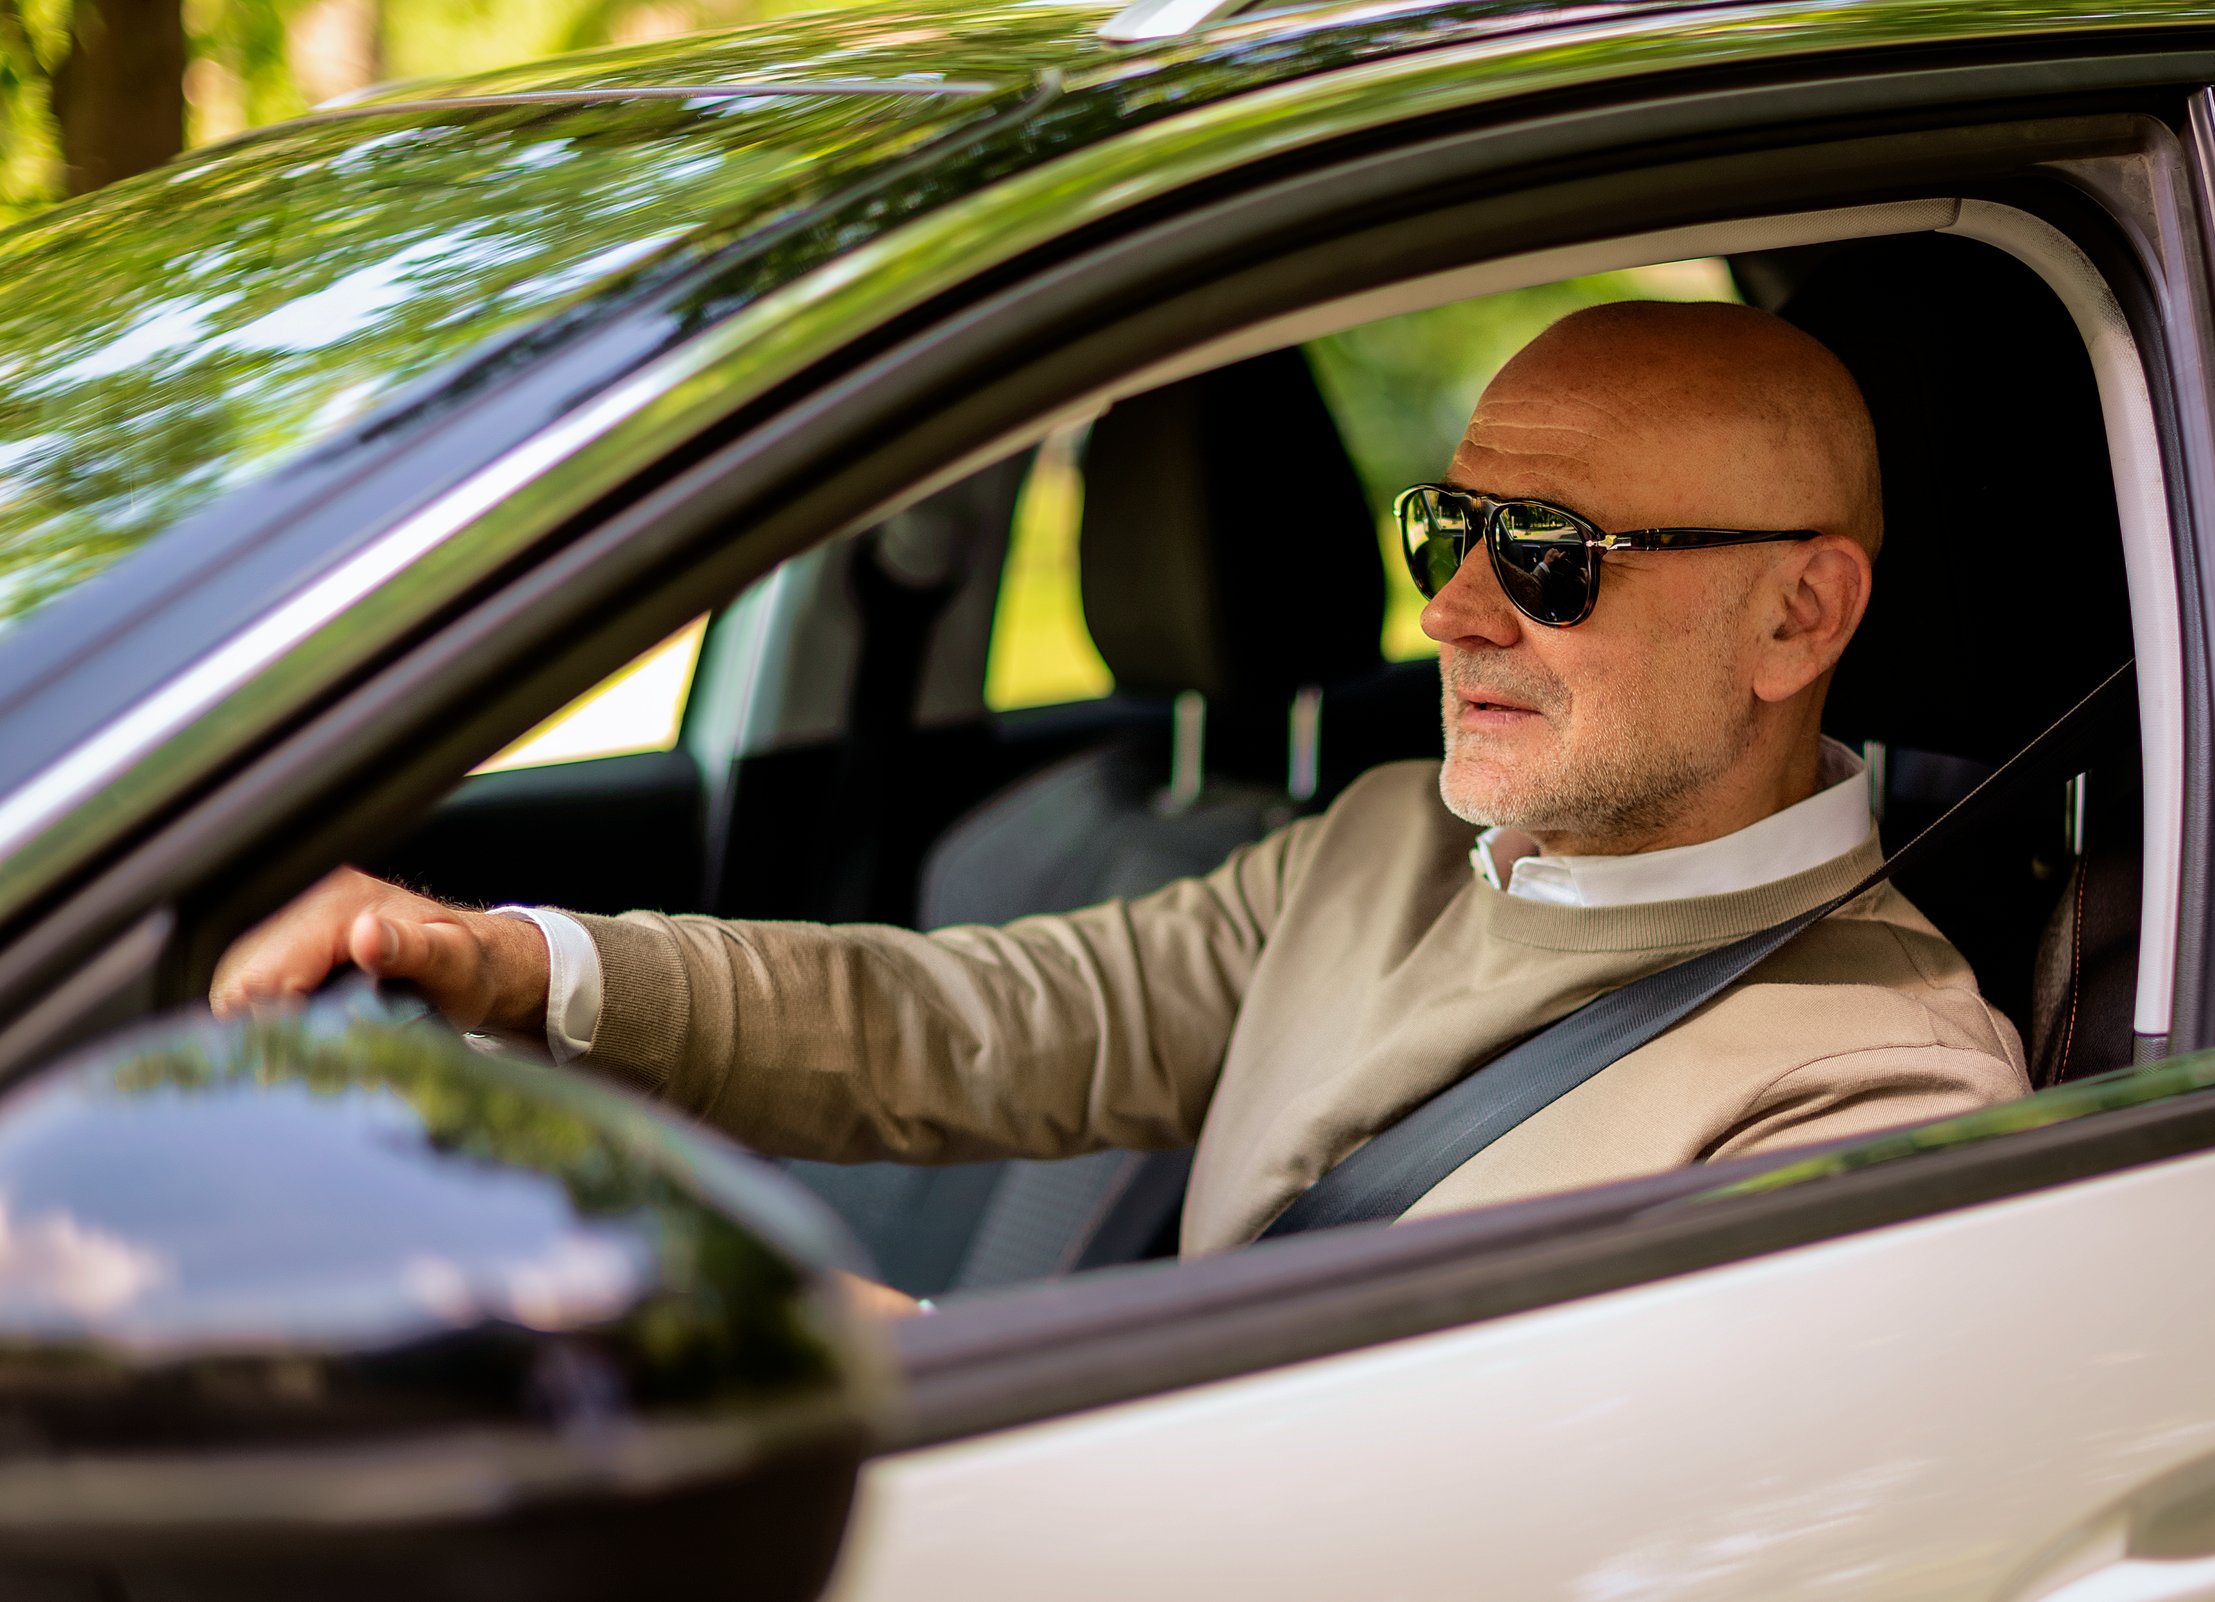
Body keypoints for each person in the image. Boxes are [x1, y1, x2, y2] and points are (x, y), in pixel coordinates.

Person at [213, 300, 2029, 1271]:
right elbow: (989, 1018)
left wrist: (898, 1359)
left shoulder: (1872, 1094)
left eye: (1547, 552)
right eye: (1448, 525)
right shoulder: (1384, 841)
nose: (1454, 607)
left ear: (1801, 614)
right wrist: (519, 968)